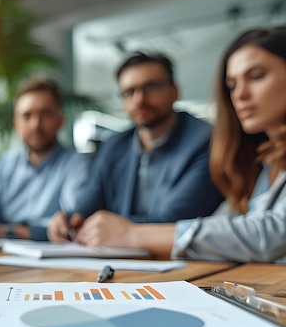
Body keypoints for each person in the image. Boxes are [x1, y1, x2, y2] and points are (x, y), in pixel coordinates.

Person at [66, 26, 286, 264]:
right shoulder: (269, 159)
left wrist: (132, 234)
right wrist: (72, 220)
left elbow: (268, 233)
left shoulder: (204, 141)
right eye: (232, 85)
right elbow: (235, 227)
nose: (240, 95)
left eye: (256, 76)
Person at [48, 52, 223, 241]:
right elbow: (89, 202)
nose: (139, 99)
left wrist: (108, 228)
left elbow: (176, 220)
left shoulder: (206, 141)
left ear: (174, 91)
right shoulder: (114, 146)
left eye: (151, 87)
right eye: (129, 92)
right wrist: (69, 220)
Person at [0, 77, 89, 241]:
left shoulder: (77, 164)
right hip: (3, 255)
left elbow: (69, 227)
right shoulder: (5, 163)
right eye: (27, 116)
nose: (35, 124)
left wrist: (4, 232)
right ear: (16, 124)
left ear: (60, 120)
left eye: (45, 114)